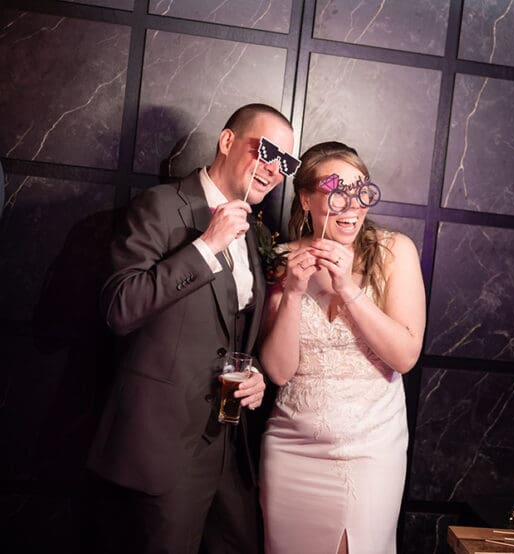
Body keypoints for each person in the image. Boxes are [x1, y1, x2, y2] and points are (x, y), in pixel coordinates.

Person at [87, 103, 296, 553]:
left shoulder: (256, 231)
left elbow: (233, 331)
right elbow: (119, 309)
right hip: (165, 445)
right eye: (267, 151)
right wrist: (206, 246)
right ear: (227, 141)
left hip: (229, 446)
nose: (275, 169)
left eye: (286, 162)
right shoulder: (161, 206)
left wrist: (255, 374)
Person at [258, 141, 426, 553]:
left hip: (370, 451)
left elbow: (404, 357)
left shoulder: (394, 251)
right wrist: (293, 292)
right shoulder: (281, 260)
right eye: (338, 192)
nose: (353, 206)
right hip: (291, 450)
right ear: (306, 198)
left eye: (361, 191)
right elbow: (278, 372)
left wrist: (347, 288)